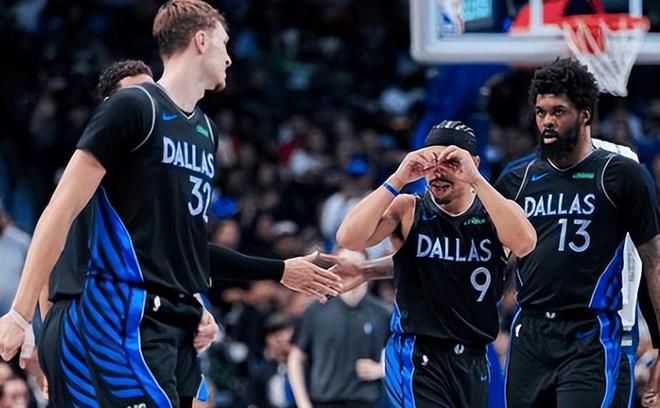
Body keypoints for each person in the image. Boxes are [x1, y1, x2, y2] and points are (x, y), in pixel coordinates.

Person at [0, 1, 340, 407]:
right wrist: (23, 315)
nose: (230, 57)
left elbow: (183, 249)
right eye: (224, 43)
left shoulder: (203, 131)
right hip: (109, 314)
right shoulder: (131, 115)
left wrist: (266, 274)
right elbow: (57, 217)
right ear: (201, 40)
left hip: (168, 319)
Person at [494, 58, 660, 408]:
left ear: (585, 114)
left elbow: (654, 262)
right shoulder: (515, 179)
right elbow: (492, 258)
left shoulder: (621, 174)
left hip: (591, 332)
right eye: (540, 112)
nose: (547, 121)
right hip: (530, 331)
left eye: (558, 111)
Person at [335, 120, 536, 407]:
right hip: (418, 352)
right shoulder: (408, 208)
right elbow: (349, 237)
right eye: (432, 162)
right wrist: (397, 178)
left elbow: (525, 243)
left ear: (473, 163)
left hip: (473, 356)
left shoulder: (494, 213)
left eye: (451, 162)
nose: (439, 171)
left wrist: (477, 180)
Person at [288, 250, 391, 408]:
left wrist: (381, 369)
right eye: (345, 265)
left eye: (356, 265)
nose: (350, 271)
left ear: (367, 267)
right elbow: (296, 357)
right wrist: (303, 402)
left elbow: (404, 355)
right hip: (324, 401)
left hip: (366, 401)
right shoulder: (316, 310)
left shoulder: (383, 313)